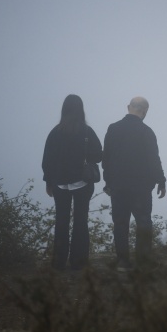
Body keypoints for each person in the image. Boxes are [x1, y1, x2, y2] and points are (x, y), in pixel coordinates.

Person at [102, 97, 166, 270]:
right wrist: (161, 180)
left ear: (128, 107)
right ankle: (143, 262)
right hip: (141, 188)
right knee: (144, 222)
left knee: (120, 223)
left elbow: (106, 158)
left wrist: (108, 181)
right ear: (145, 112)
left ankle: (123, 262)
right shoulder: (147, 132)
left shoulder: (113, 129)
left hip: (118, 186)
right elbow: (154, 159)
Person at [42, 94, 102, 271]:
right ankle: (79, 263)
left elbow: (47, 161)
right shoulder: (86, 131)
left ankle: (58, 263)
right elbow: (98, 154)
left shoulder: (55, 132)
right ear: (81, 109)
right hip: (82, 182)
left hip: (59, 183)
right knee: (81, 221)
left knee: (61, 221)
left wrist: (48, 182)